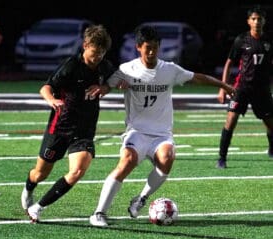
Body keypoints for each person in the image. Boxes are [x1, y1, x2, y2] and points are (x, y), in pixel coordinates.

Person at [89, 25, 235, 227]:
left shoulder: (169, 70)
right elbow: (107, 86)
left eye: (155, 48)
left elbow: (198, 77)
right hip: (137, 132)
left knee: (167, 158)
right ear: (138, 47)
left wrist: (224, 85)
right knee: (127, 161)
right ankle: (98, 213)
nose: (151, 52)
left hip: (161, 134)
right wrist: (103, 89)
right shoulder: (126, 70)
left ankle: (140, 199)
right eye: (147, 47)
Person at [20, 24, 114, 222]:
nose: (98, 57)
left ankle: (38, 207)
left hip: (84, 131)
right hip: (59, 128)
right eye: (95, 52)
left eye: (102, 53)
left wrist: (105, 87)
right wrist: (52, 100)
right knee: (40, 174)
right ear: (85, 45)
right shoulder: (71, 65)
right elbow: (46, 87)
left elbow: (114, 80)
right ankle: (29, 187)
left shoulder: (105, 67)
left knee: (78, 171)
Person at [216, 6, 273, 169]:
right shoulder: (241, 40)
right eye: (254, 19)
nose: (257, 22)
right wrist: (223, 87)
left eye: (260, 19)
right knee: (231, 120)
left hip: (262, 90)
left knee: (270, 124)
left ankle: (271, 147)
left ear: (264, 21)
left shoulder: (269, 41)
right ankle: (222, 158)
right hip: (241, 88)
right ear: (249, 21)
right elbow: (229, 63)